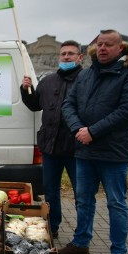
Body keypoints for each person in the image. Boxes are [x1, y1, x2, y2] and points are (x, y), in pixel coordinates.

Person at [60, 30, 128, 254]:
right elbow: (69, 104)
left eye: (108, 45)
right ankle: (80, 243)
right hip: (85, 151)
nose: (102, 49)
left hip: (113, 154)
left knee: (116, 204)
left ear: (121, 48)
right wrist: (78, 129)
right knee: (84, 200)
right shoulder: (87, 75)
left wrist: (93, 132)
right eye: (99, 44)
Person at [20, 40, 83, 238]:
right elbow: (35, 105)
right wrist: (25, 89)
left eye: (71, 54)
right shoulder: (48, 81)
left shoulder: (86, 80)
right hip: (50, 146)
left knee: (81, 193)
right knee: (51, 191)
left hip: (76, 148)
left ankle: (82, 232)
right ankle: (53, 226)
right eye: (63, 54)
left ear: (80, 57)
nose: (66, 57)